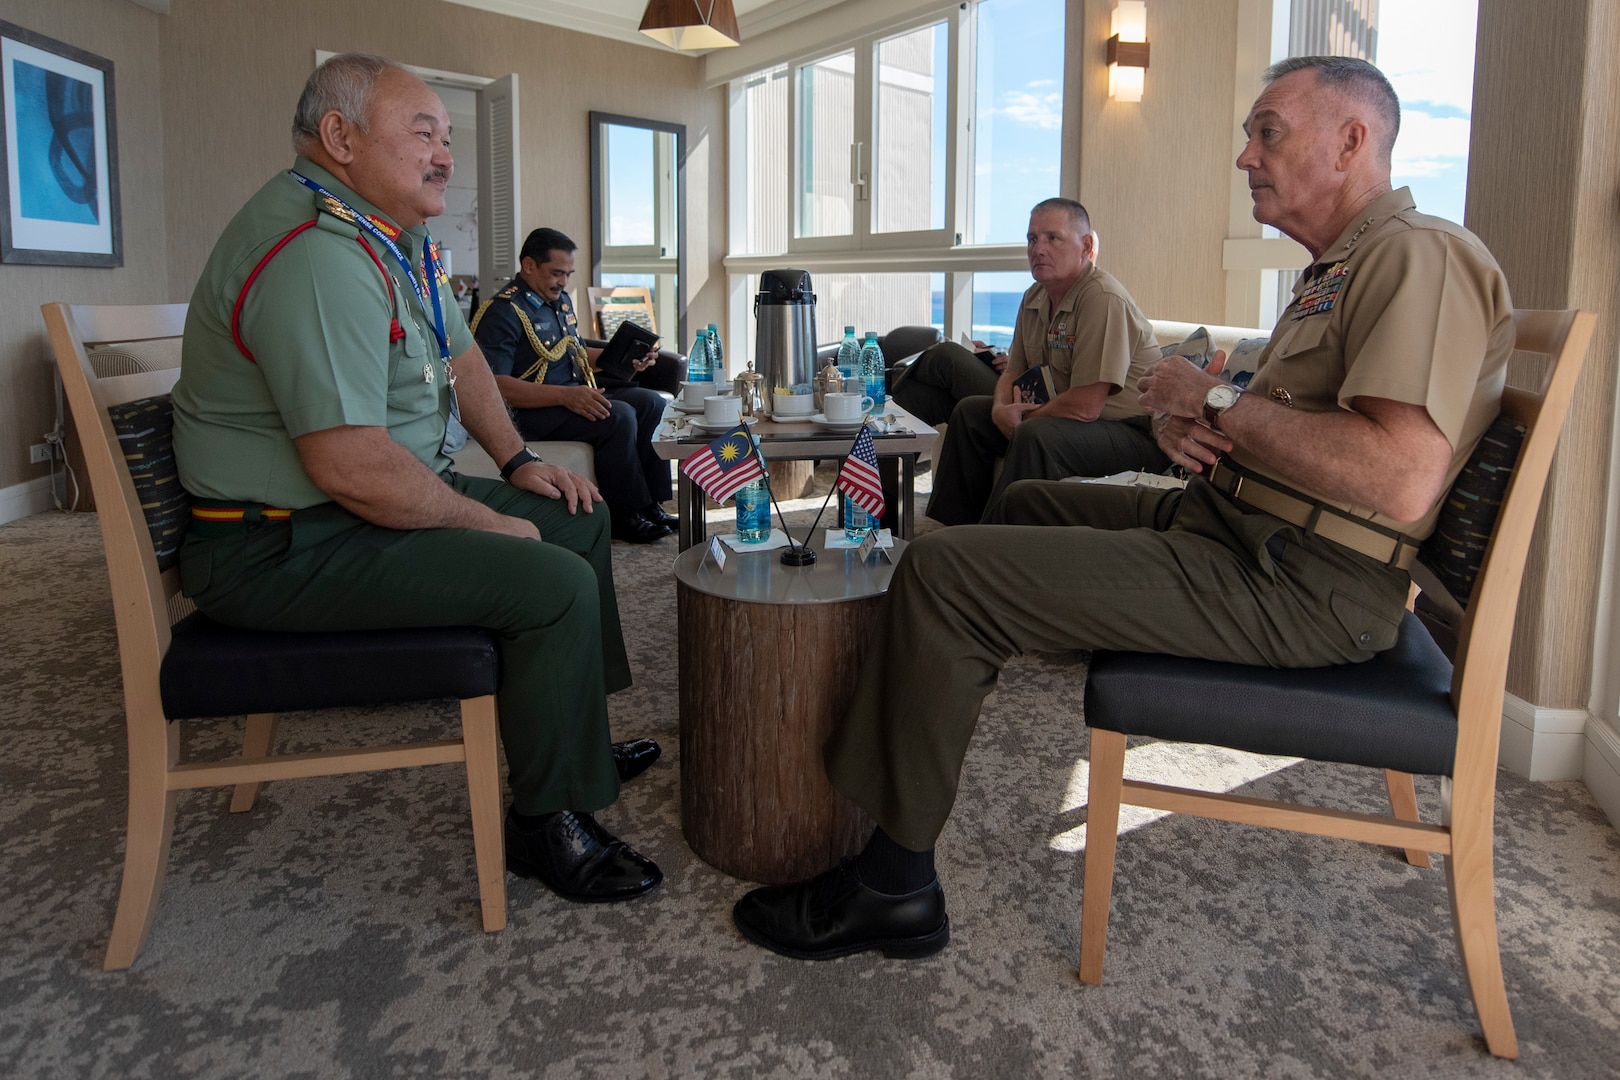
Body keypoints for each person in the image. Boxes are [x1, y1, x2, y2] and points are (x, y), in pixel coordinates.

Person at [732, 55, 1514, 960]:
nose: (1245, 157)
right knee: (1021, 504)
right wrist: (1206, 433)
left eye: (1269, 131)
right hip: (1236, 528)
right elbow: (1309, 432)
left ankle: (891, 885)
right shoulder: (1338, 270)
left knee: (943, 573)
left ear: (1352, 140)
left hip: (1295, 581)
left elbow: (1400, 478)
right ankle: (941, 704)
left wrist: (1218, 403)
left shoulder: (1417, 254)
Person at [171, 53, 664, 905]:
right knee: (547, 577)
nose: (445, 154)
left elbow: (464, 357)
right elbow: (349, 466)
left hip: (355, 506)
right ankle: (547, 823)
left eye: (446, 134)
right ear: (341, 137)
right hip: (282, 543)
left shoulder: (392, 239)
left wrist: (519, 462)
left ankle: (573, 732)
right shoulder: (315, 255)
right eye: (423, 133)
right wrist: (488, 524)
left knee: (576, 516)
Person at [924, 200, 1167, 525]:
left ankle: (991, 546)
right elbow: (1013, 370)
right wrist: (999, 410)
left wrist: (1025, 419)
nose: (1038, 249)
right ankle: (950, 531)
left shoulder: (1102, 298)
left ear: (1086, 246)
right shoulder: (1033, 297)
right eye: (1032, 239)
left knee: (1036, 434)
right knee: (971, 413)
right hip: (1071, 421)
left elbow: (1086, 405)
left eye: (1053, 238)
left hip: (1134, 434)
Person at [472, 228, 676, 544]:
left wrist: (628, 358)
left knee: (651, 403)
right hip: (527, 409)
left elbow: (574, 351)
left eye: (567, 274)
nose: (563, 282)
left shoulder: (559, 302)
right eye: (556, 273)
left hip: (568, 393)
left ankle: (653, 505)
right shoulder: (503, 312)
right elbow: (495, 386)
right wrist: (566, 396)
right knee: (616, 415)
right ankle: (623, 515)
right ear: (529, 265)